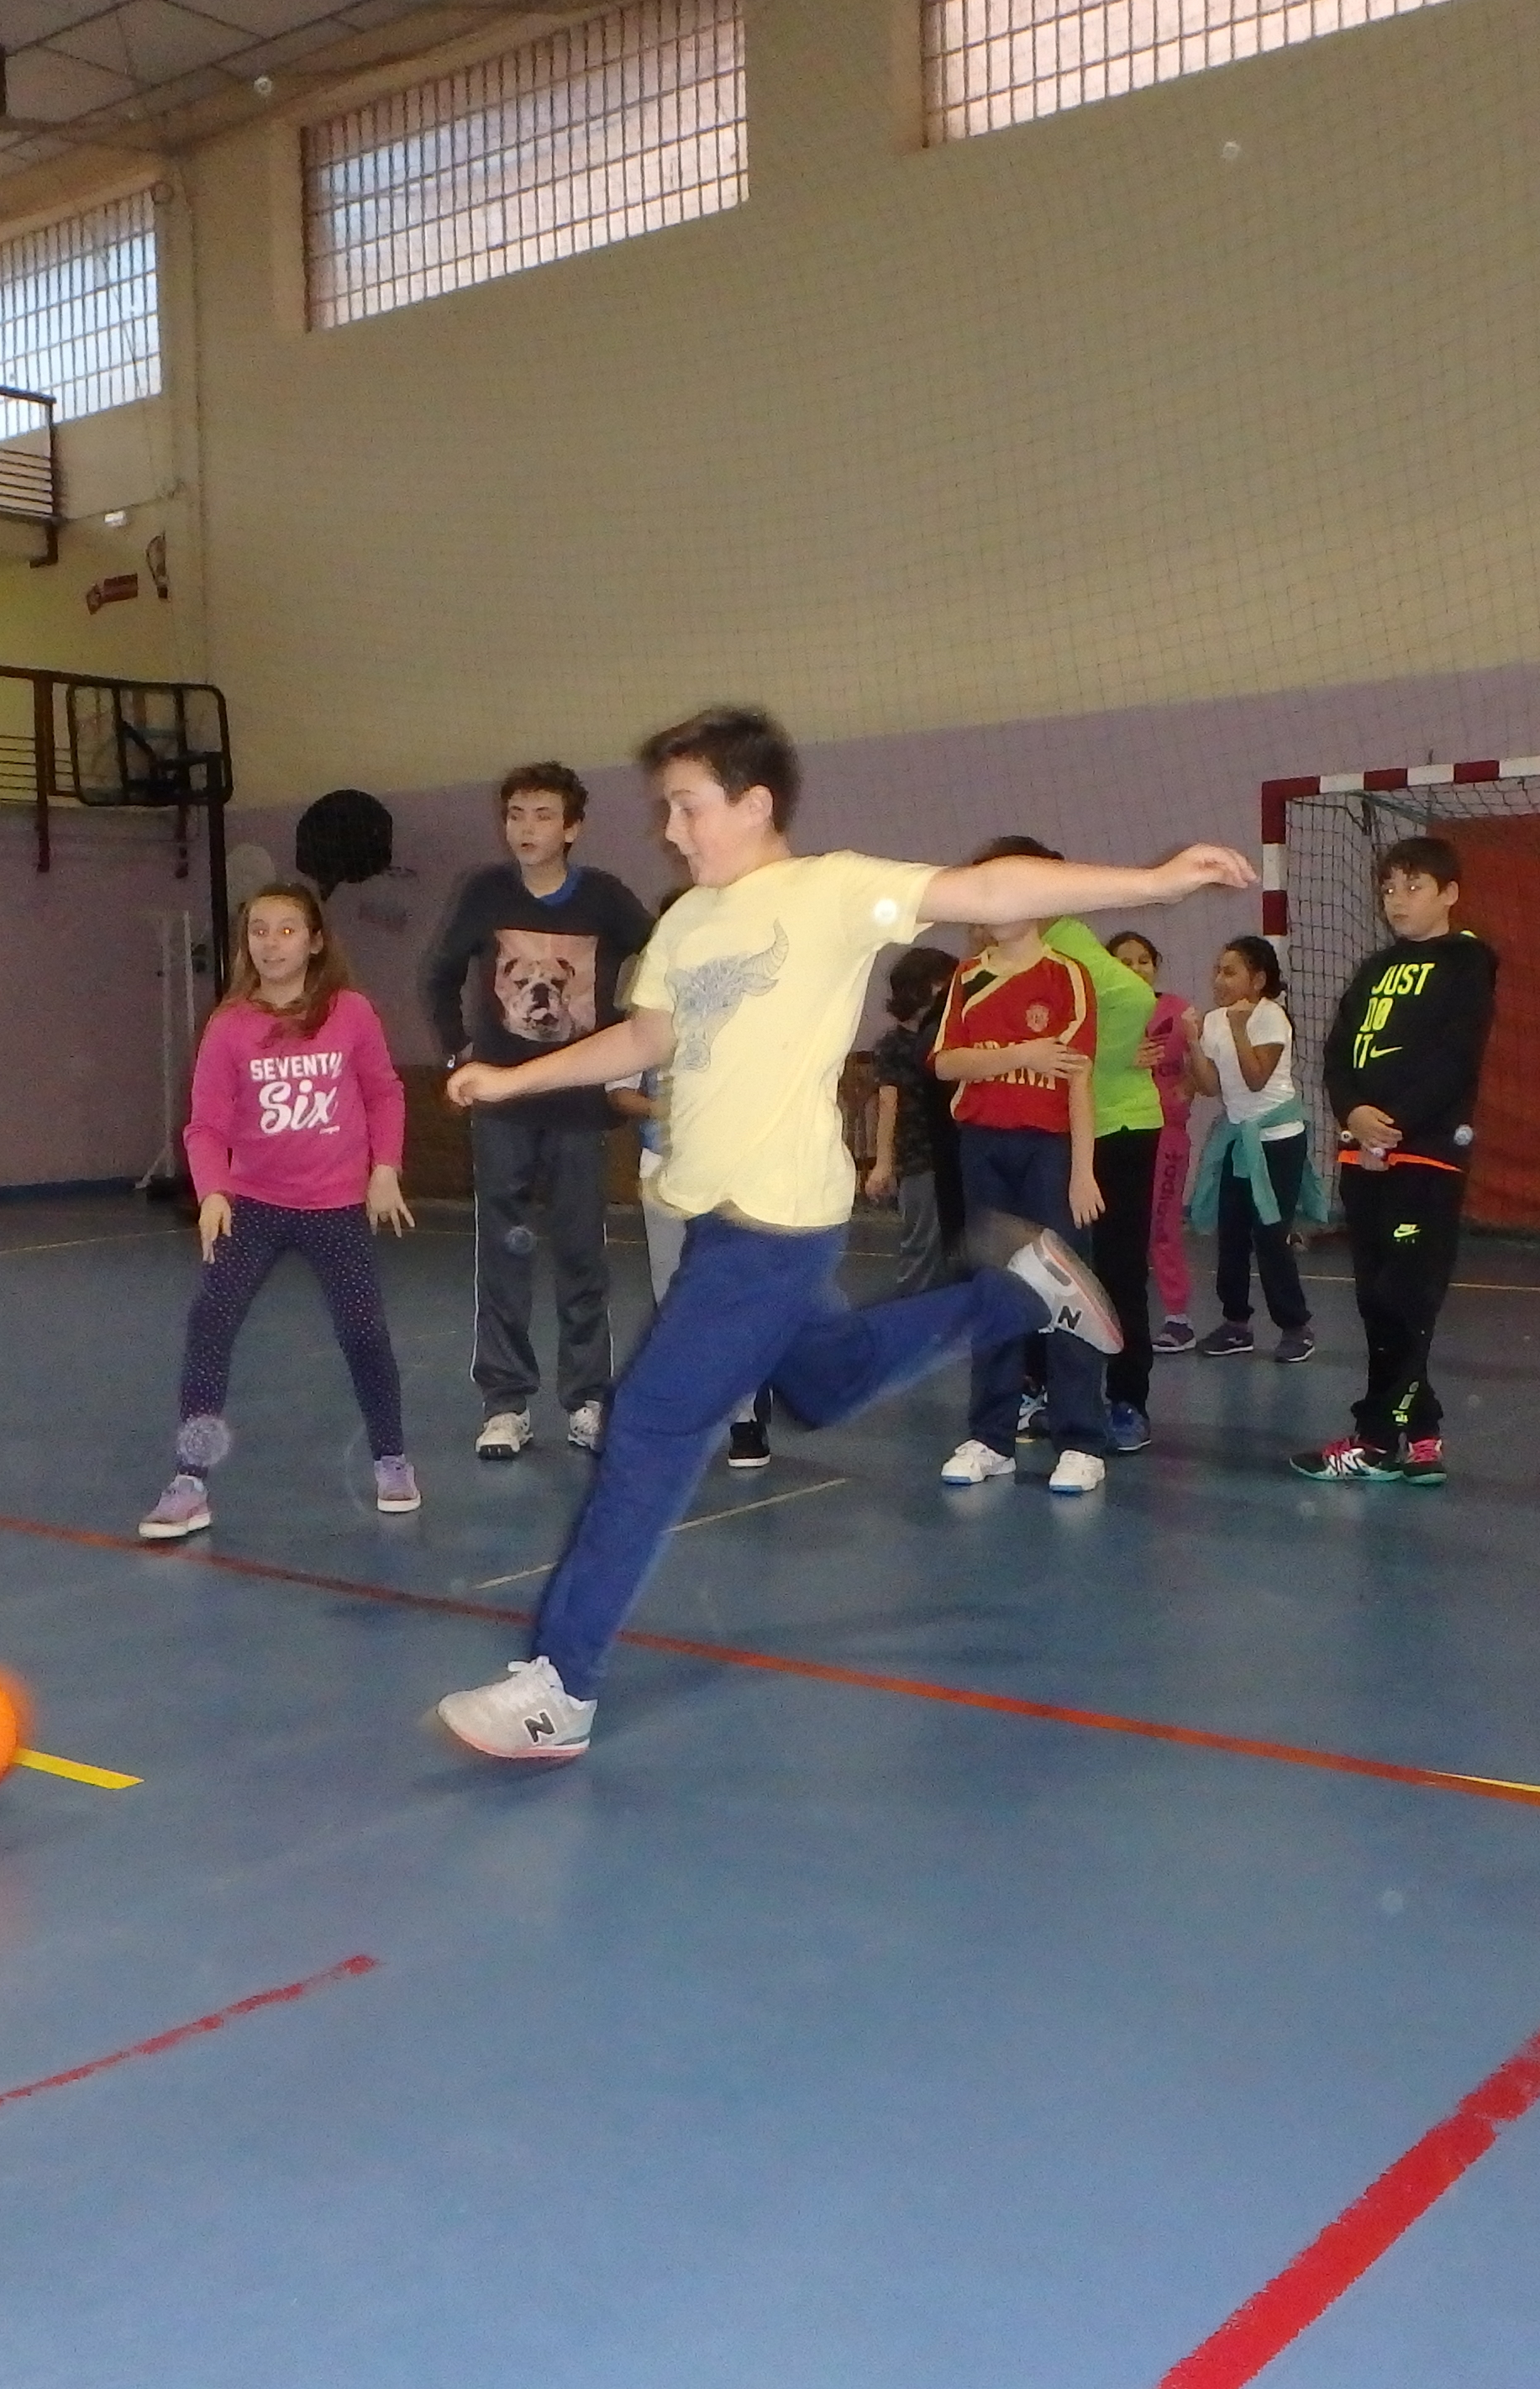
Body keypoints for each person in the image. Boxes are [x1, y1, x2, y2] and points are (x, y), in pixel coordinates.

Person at [432, 705, 1246, 1761]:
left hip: (777, 1225)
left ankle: (561, 1690)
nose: (671, 829)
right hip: (714, 1221)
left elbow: (986, 890)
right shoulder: (686, 922)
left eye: (687, 806)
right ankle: (1013, 1293)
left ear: (753, 802)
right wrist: (510, 1076)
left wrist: (1153, 881)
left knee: (648, 1430)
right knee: (821, 1379)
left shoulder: (827, 890)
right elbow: (644, 1036)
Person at [139, 881, 417, 1537]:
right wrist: (213, 1192)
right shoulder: (231, 1025)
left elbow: (384, 1092)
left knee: (362, 1331)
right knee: (211, 1325)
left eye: (286, 929)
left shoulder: (349, 1012)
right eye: (258, 930)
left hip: (335, 1204)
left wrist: (385, 1169)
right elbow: (205, 1125)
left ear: (315, 940)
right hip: (256, 1206)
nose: (270, 943)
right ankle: (189, 1481)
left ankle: (392, 1458)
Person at [419, 763, 654, 1464]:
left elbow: (662, 956)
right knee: (504, 1254)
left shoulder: (606, 900)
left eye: (543, 815)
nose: (527, 828)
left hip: (581, 1110)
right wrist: (461, 1058)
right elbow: (439, 973)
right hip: (505, 1111)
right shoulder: (485, 893)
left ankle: (586, 1399)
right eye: (516, 813)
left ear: (572, 827)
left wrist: (635, 1039)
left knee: (582, 1255)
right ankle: (505, 1404)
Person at [1296, 837, 1499, 1484]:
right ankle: (1423, 1431)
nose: (1396, 900)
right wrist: (1352, 1114)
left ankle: (1377, 1439)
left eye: (1413, 886)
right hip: (1364, 1154)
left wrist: (1395, 1128)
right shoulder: (1371, 971)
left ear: (1448, 893)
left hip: (1425, 1156)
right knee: (1375, 1299)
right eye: (1388, 888)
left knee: (1406, 1298)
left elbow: (1454, 1058)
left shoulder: (1466, 961)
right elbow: (1336, 1056)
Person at [935, 867, 1111, 1492]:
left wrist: (1083, 1169)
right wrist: (1018, 1055)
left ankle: (1081, 1442)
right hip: (983, 1148)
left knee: (1065, 1292)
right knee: (994, 1291)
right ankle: (991, 1438)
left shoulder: (1067, 976)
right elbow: (947, 1062)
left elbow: (1080, 1077)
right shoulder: (967, 977)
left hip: (1050, 1152)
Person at [1041, 904, 1164, 1450]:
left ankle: (1127, 1401)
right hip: (1066, 1132)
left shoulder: (1066, 940)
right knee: (1062, 1272)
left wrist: (1107, 1055)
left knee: (1117, 1271)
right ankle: (1066, 1395)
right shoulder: (1020, 952)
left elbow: (1135, 998)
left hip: (1119, 1126)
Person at [1185, 934, 1318, 1360]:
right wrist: (1192, 1042)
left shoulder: (1270, 1017)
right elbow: (1210, 1087)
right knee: (1232, 1233)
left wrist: (1240, 1029)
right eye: (1218, 972)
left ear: (1258, 979)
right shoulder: (1215, 1020)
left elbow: (1256, 1077)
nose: (1219, 980)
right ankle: (1235, 1323)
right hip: (1238, 1138)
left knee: (1270, 1235)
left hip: (1277, 1140)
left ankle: (1296, 1327)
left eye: (1230, 972)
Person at [1112, 931, 1201, 1351]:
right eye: (1124, 961)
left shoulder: (1177, 1012)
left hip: (1165, 1135)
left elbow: (1202, 1068)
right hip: (1114, 1133)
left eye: (1143, 960)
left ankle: (1177, 1316)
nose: (1134, 968)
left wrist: (1189, 1082)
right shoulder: (1101, 1014)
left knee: (1161, 1225)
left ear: (1156, 965)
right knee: (1114, 1228)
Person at [863, 945, 961, 1297]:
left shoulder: (949, 1039)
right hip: (920, 1157)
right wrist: (883, 1164)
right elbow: (888, 1103)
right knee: (922, 1249)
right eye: (945, 984)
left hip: (953, 1153)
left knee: (952, 1248)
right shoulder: (895, 1044)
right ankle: (912, 1325)